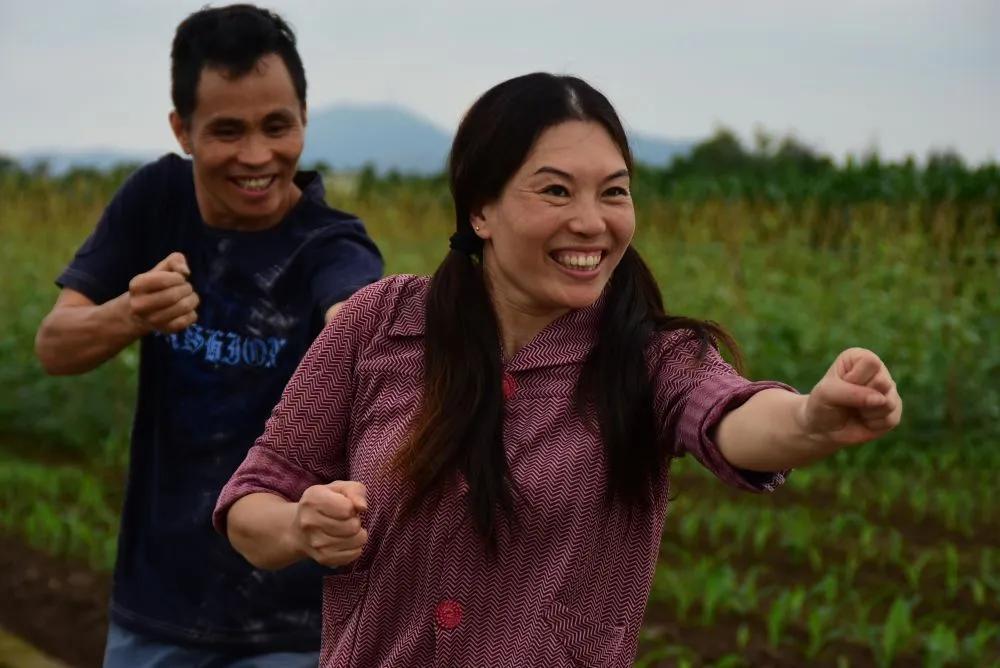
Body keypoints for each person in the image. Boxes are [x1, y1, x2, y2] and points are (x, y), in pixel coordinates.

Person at [213, 72, 903, 667]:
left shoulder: (650, 357)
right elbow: (254, 502)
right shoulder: (382, 324)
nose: (592, 222)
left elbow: (733, 417)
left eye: (613, 192)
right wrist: (301, 526)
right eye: (555, 191)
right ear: (481, 208)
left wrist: (812, 418)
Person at [34, 5, 382, 666]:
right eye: (227, 131)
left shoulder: (332, 244)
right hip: (157, 607)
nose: (257, 155)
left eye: (277, 126)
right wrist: (131, 314)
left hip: (293, 621)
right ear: (182, 129)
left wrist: (370, 337)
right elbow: (55, 345)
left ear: (304, 119)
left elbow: (359, 320)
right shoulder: (155, 200)